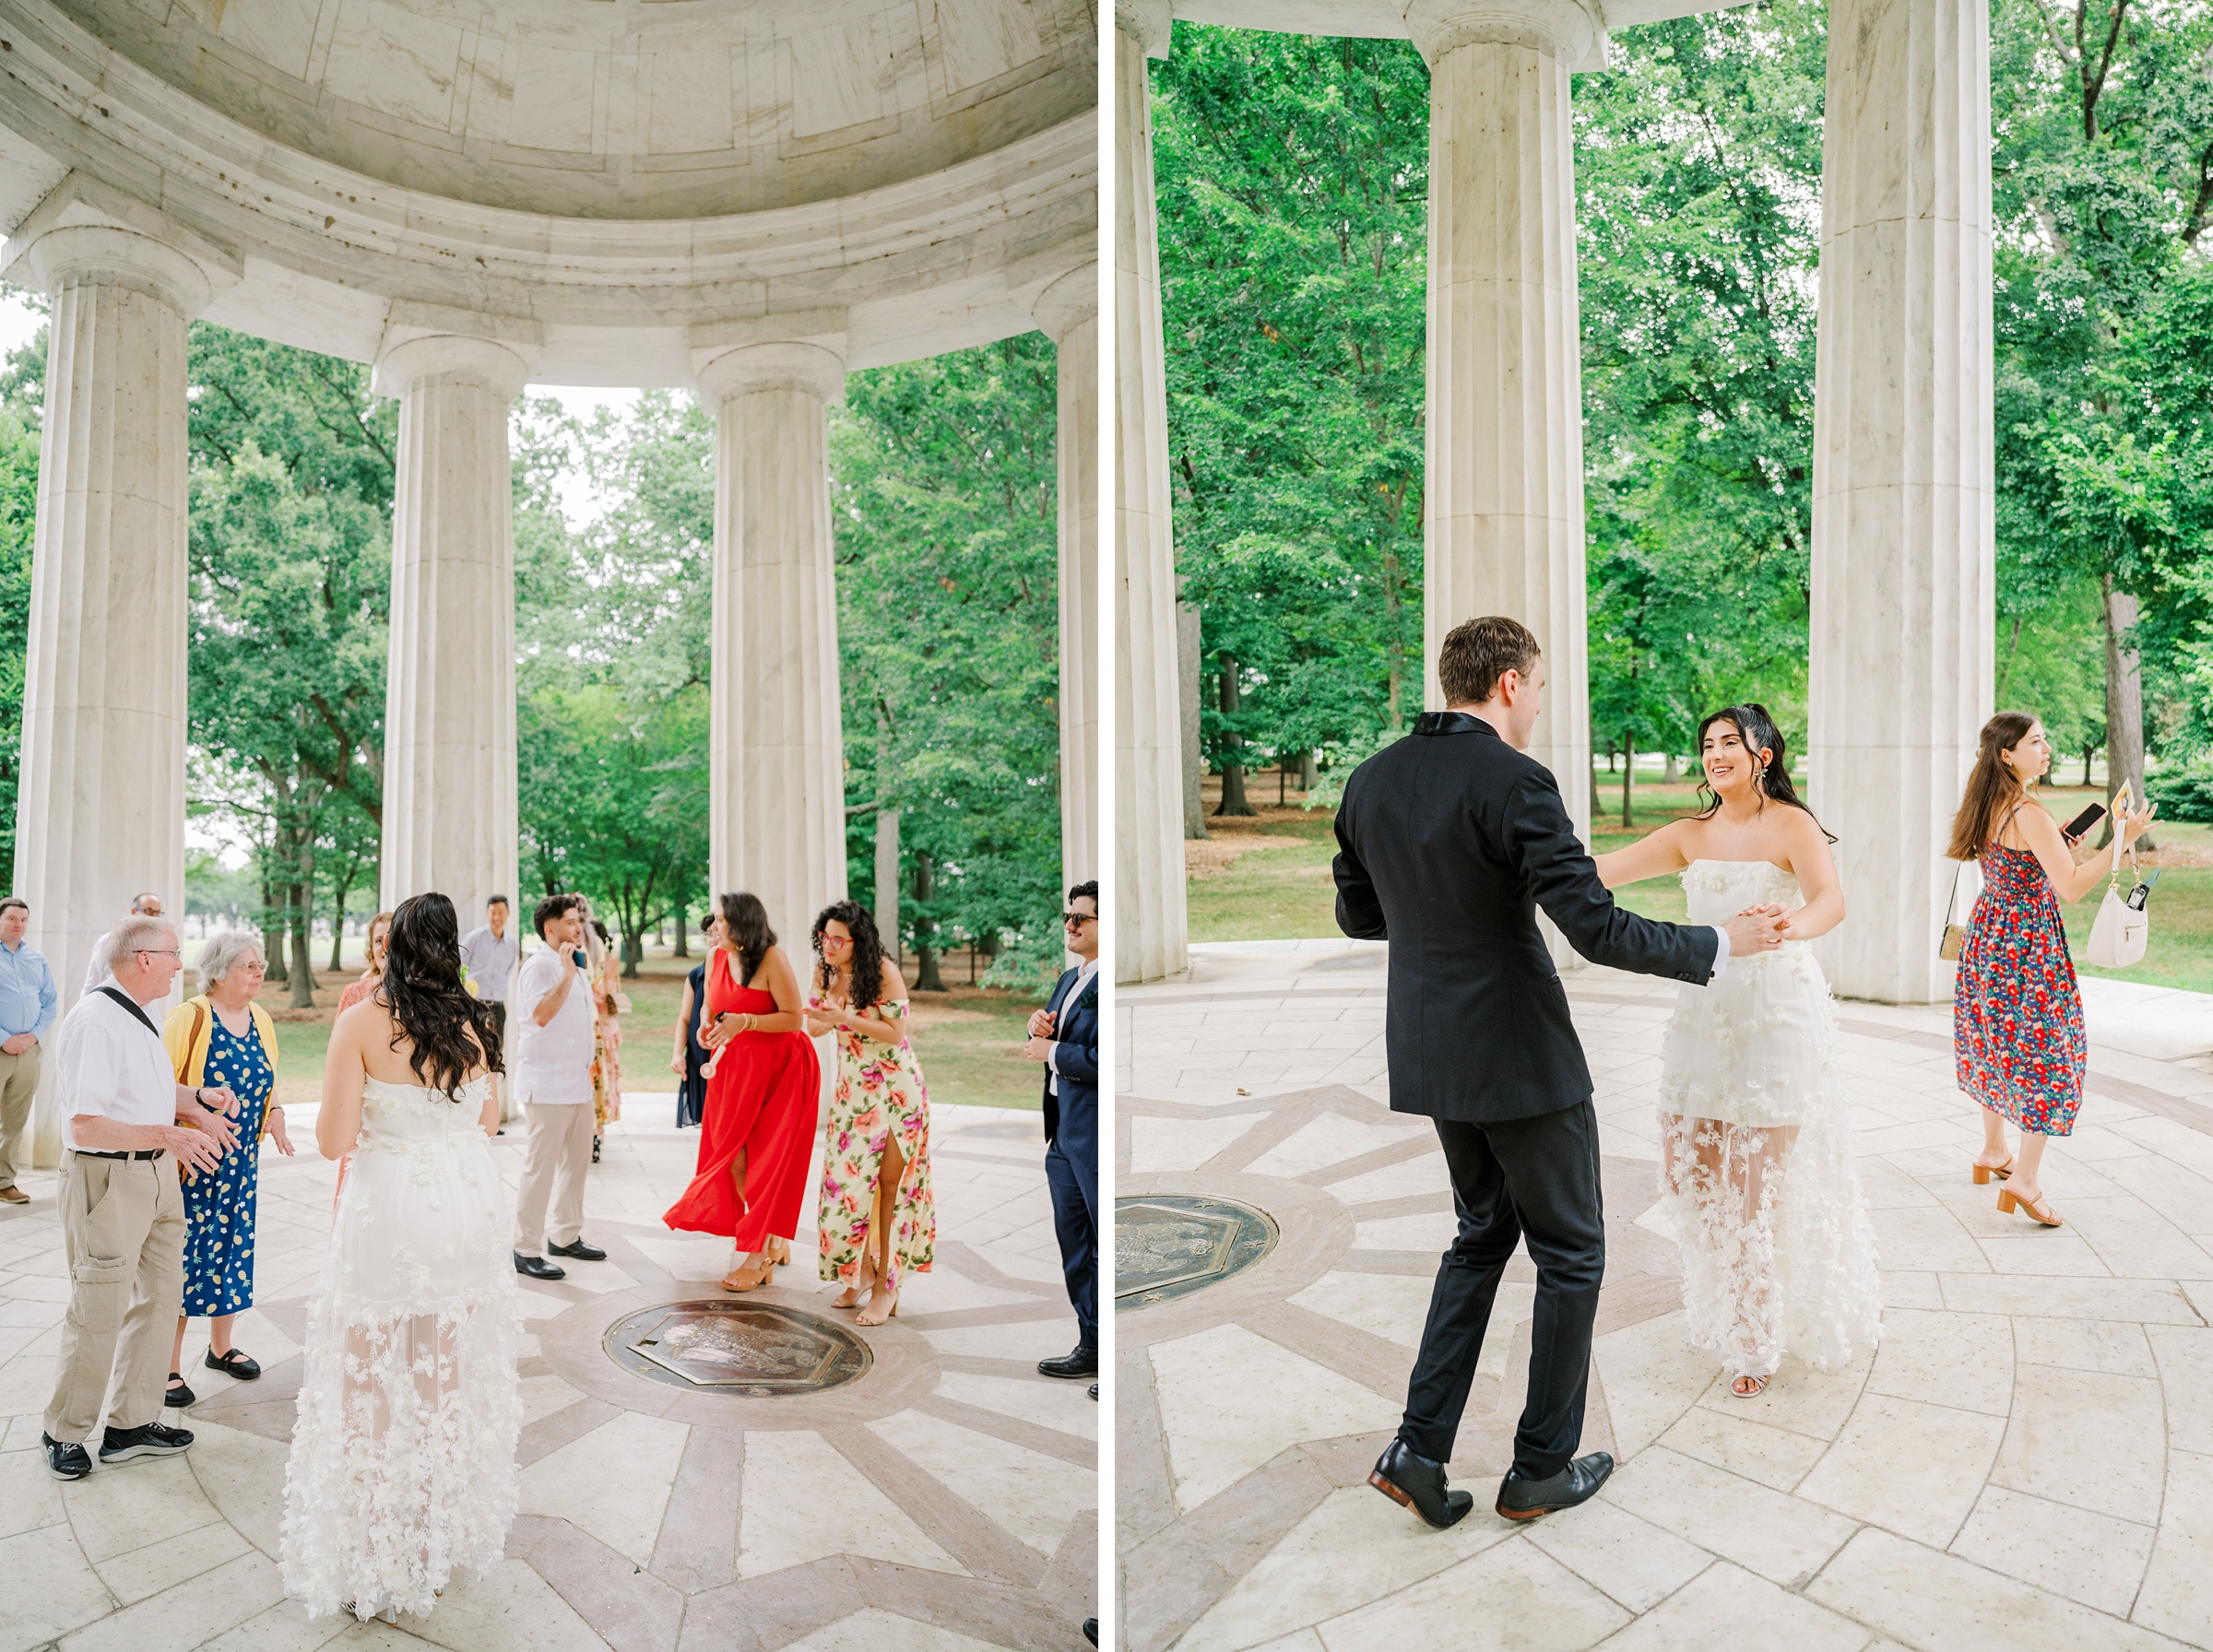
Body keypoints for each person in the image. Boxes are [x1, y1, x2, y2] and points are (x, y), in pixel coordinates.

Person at [1332, 616, 1785, 1529]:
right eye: (1536, 687)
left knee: (1480, 1234)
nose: (1538, 704)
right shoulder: (1516, 779)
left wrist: (1442, 915)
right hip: (1519, 1056)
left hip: (1428, 1053)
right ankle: (1539, 1466)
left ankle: (1419, 1450)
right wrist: (1717, 942)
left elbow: (1360, 916)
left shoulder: (1371, 779)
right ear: (1508, 683)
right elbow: (1596, 928)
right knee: (1572, 1250)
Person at [1593, 705, 1881, 1398]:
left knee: (1757, 1185)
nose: (1716, 753)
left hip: (1776, 1013)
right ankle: (1726, 1303)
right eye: (1707, 743)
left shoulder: (1792, 825)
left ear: (1765, 752)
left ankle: (1755, 1340)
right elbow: (1596, 870)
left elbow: (1829, 901)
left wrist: (1786, 927)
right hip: (1704, 1011)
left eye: (1731, 742)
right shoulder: (1690, 835)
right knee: (1691, 1172)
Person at [280, 891, 519, 1622]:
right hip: (463, 1216)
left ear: (394, 949)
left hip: (390, 1213)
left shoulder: (360, 1023)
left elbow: (332, 1140)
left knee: (370, 1388)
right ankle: (431, 1545)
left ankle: (374, 1554)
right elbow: (486, 1118)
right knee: (443, 1382)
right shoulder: (479, 1024)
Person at [41, 915, 238, 1481]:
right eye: (175, 954)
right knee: (98, 1306)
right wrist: (170, 1135)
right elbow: (85, 1125)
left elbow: (139, 1092)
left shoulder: (138, 1015)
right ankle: (64, 1430)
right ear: (144, 959)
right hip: (107, 1181)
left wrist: (192, 1098)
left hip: (156, 1178)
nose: (183, 964)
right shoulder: (96, 1021)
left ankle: (131, 1424)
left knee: (159, 1298)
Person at [1951, 712, 2156, 1228]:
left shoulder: (1987, 802)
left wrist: (2058, 844)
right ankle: (2024, 1179)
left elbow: (2018, 863)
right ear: (2007, 754)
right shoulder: (2029, 811)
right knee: (2050, 1054)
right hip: (2027, 948)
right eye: (2036, 742)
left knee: (1996, 1044)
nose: (2046, 749)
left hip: (1990, 935)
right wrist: (2121, 841)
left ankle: (1994, 1151)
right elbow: (2070, 887)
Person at [160, 930, 295, 1409]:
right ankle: (168, 1364)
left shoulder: (260, 1017)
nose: (259, 972)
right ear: (218, 971)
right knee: (184, 1258)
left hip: (241, 1165)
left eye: (260, 965)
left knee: (232, 1253)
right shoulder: (190, 1017)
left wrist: (275, 1112)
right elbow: (161, 1087)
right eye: (249, 965)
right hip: (195, 1163)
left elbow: (268, 1077)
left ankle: (220, 1348)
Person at [663, 892, 816, 1292]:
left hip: (779, 1070)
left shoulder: (772, 960)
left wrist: (745, 1022)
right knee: (732, 1158)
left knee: (769, 1159)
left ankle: (758, 1253)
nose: (713, 928)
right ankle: (771, 1236)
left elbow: (792, 1020)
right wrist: (705, 1027)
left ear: (742, 925)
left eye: (720, 922)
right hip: (733, 1069)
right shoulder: (715, 958)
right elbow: (708, 1009)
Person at [801, 902, 934, 1326]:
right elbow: (815, 1027)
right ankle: (859, 1273)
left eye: (838, 939)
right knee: (848, 1187)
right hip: (853, 1093)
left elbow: (895, 1033)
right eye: (824, 937)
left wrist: (846, 1016)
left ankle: (886, 1286)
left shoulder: (882, 971)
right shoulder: (825, 971)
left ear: (858, 941)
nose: (830, 945)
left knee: (890, 1187)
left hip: (896, 1091)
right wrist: (829, 1014)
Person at [510, 894, 606, 1280]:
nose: (578, 926)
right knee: (541, 1170)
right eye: (569, 922)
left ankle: (565, 1236)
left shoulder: (574, 963)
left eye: (578, 920)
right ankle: (524, 1247)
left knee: (577, 1165)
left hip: (577, 1084)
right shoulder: (541, 966)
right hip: (546, 1087)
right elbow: (541, 1016)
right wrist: (567, 974)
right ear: (550, 929)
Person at [1024, 883, 1098, 1382]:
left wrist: (1051, 1053)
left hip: (1092, 1133)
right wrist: (1038, 1030)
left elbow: (1102, 1059)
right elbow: (1050, 1041)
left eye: (1081, 918)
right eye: (1067, 916)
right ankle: (1090, 1344)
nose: (1069, 925)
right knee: (1074, 1247)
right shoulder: (1070, 978)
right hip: (1062, 1135)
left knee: (1101, 1245)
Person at [0, 896, 58, 1205]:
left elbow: (50, 1002)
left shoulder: (36, 959)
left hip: (27, 1052)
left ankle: (4, 1181)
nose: (18, 925)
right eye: (11, 919)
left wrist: (33, 1036)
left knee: (14, 1121)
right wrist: (3, 1038)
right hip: (1, 1048)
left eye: (23, 920)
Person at [585, 914, 623, 1163]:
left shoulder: (607, 964)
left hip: (604, 1034)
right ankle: (590, 1134)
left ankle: (597, 1134)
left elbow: (608, 996)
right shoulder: (582, 965)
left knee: (603, 1083)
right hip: (589, 1034)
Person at [670, 913, 713, 1129]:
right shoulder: (696, 975)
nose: (713, 938)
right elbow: (685, 1018)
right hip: (699, 1056)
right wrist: (678, 1053)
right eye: (709, 933)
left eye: (718, 932)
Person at [84, 891, 163, 994]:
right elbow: (92, 981)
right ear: (134, 911)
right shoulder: (109, 940)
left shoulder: (159, 944)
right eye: (149, 911)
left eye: (158, 913)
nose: (154, 916)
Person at [337, 910, 394, 1014]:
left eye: (393, 939)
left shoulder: (421, 993)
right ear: (371, 949)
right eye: (379, 941)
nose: (386, 947)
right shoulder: (353, 993)